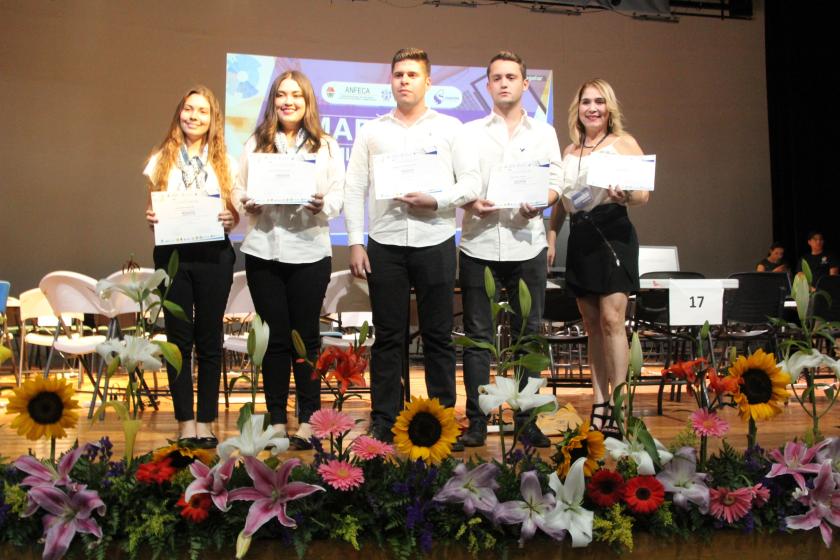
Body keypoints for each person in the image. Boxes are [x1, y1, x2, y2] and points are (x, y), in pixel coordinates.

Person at [345, 48, 480, 443]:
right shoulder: (372, 132)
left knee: (438, 335)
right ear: (390, 80)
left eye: (412, 74)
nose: (404, 80)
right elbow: (354, 189)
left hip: (435, 239)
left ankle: (440, 421)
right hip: (384, 243)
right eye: (398, 74)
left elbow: (471, 182)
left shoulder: (452, 128)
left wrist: (436, 200)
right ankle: (384, 419)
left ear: (428, 82)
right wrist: (355, 242)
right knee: (388, 336)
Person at [235, 71, 344, 450]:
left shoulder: (326, 145)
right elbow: (237, 189)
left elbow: (338, 195)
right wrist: (246, 202)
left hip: (309, 251)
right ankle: (278, 420)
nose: (288, 101)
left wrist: (322, 205)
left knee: (306, 340)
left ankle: (310, 422)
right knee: (274, 340)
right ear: (273, 101)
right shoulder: (256, 142)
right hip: (264, 250)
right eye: (281, 94)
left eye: (296, 95)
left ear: (307, 101)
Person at [458, 51, 562, 448]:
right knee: (478, 337)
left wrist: (544, 199)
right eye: (496, 77)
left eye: (511, 76)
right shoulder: (469, 133)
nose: (504, 83)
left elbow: (556, 180)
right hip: (479, 243)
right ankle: (477, 420)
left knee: (529, 335)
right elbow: (458, 182)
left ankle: (526, 420)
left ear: (524, 84)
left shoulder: (544, 132)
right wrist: (469, 203)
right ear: (487, 86)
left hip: (527, 243)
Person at [548, 78, 649, 435]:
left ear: (609, 108)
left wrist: (626, 196)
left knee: (611, 320)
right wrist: (551, 235)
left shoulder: (624, 142)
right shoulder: (569, 151)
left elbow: (642, 195)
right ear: (578, 108)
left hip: (613, 234)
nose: (593, 108)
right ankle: (600, 401)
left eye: (600, 102)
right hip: (580, 236)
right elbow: (562, 202)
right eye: (587, 101)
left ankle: (620, 404)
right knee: (591, 325)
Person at [144, 86, 239, 446]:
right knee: (178, 341)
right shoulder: (160, 158)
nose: (194, 116)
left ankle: (206, 421)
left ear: (213, 119)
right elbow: (152, 209)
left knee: (209, 339)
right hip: (173, 257)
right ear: (179, 113)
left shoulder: (226, 162)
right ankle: (184, 420)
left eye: (202, 111)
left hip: (215, 255)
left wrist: (232, 218)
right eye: (188, 109)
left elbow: (235, 212)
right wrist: (151, 216)